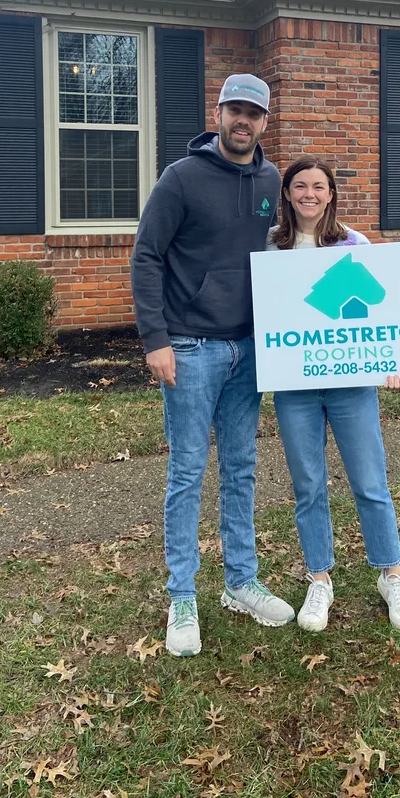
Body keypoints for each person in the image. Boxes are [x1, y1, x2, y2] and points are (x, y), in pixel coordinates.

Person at [131, 73, 295, 658]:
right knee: (187, 471)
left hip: (249, 349)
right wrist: (155, 339)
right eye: (235, 110)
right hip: (191, 347)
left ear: (265, 122)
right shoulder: (181, 178)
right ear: (219, 113)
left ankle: (240, 582)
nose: (243, 121)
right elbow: (146, 256)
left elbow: (298, 240)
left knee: (242, 467)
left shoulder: (272, 181)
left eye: (254, 113)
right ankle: (182, 597)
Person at [266, 156, 400, 635]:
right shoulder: (270, 245)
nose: (309, 194)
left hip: (351, 385)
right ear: (287, 193)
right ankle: (319, 579)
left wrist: (395, 364)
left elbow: (384, 315)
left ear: (331, 193)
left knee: (370, 482)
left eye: (318, 186)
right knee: (308, 485)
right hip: (294, 386)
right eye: (300, 186)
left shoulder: (354, 244)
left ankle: (392, 576)